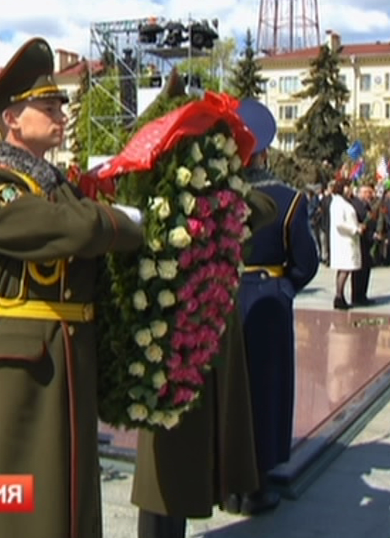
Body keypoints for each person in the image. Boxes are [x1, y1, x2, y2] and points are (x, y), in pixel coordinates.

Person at [0, 37, 144, 538]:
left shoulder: (56, 184)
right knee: (28, 501)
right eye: (47, 105)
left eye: (60, 103)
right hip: (26, 365)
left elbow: (81, 222)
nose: (60, 112)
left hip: (68, 352)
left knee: (69, 496)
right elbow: (78, 230)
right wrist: (120, 221)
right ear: (12, 119)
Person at [130, 98, 278, 538]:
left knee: (186, 459)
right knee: (166, 462)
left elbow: (261, 212)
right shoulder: (162, 204)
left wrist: (222, 184)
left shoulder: (221, 203)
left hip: (202, 338)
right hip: (170, 346)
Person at [235, 99, 319, 515]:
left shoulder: (220, 195)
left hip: (224, 299)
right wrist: (285, 288)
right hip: (268, 296)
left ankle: (230, 482)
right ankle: (257, 485)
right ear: (265, 151)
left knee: (233, 390)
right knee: (265, 391)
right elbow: (306, 261)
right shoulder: (289, 199)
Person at [328, 180, 361, 309]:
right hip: (344, 241)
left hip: (348, 240)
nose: (351, 191)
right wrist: (355, 229)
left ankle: (340, 296)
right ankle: (338, 296)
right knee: (345, 268)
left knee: (344, 269)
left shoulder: (342, 202)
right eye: (349, 188)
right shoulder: (337, 203)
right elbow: (339, 223)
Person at [350, 184, 378, 305]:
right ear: (361, 192)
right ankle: (357, 296)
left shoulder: (367, 205)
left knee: (366, 269)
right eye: (367, 192)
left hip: (367, 240)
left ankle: (363, 295)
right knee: (359, 271)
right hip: (359, 240)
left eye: (370, 193)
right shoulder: (356, 205)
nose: (369, 195)